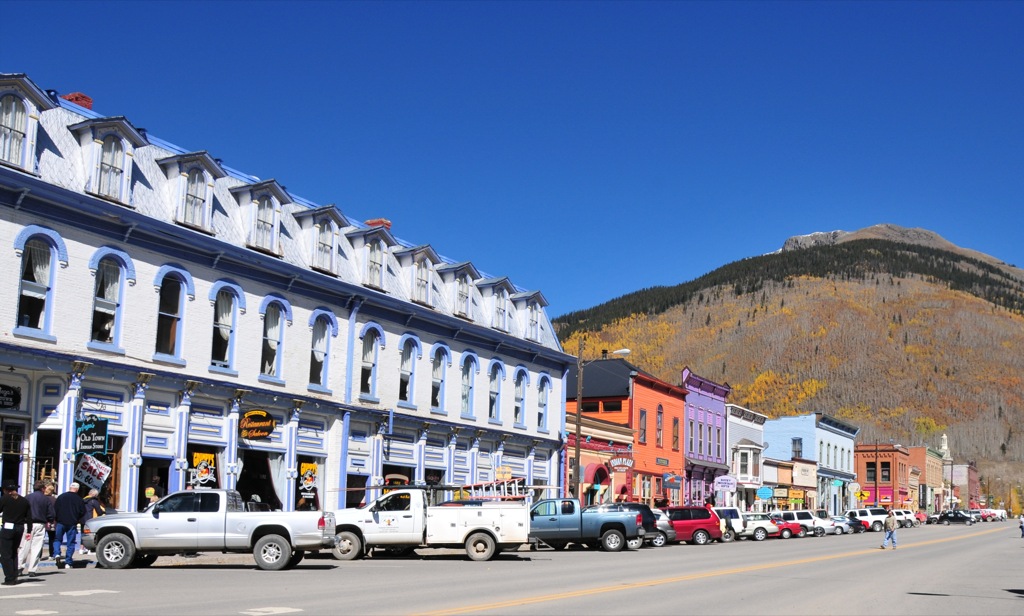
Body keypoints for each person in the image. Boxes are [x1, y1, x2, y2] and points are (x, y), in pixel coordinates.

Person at [17, 480, 54, 578]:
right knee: (36, 547)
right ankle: (32, 569)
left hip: (27, 524)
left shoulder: (27, 498)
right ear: (42, 488)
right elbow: (51, 514)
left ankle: (19, 567)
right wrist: (49, 520)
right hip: (40, 524)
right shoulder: (46, 499)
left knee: (24, 546)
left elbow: (21, 510)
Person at [0, 482, 31, 586]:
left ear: (5, 490)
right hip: (20, 527)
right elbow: (29, 517)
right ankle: (14, 575)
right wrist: (29, 531)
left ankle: (9, 578)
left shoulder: (5, 498)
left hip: (8, 527)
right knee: (14, 552)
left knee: (6, 553)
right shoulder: (24, 500)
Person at [53, 482, 85, 569]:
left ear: (70, 488)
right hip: (72, 523)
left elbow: (55, 509)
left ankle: (56, 553)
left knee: (57, 539)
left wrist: (56, 518)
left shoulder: (61, 497)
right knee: (71, 543)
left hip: (60, 522)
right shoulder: (79, 499)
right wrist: (77, 518)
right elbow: (82, 512)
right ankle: (68, 562)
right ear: (77, 489)